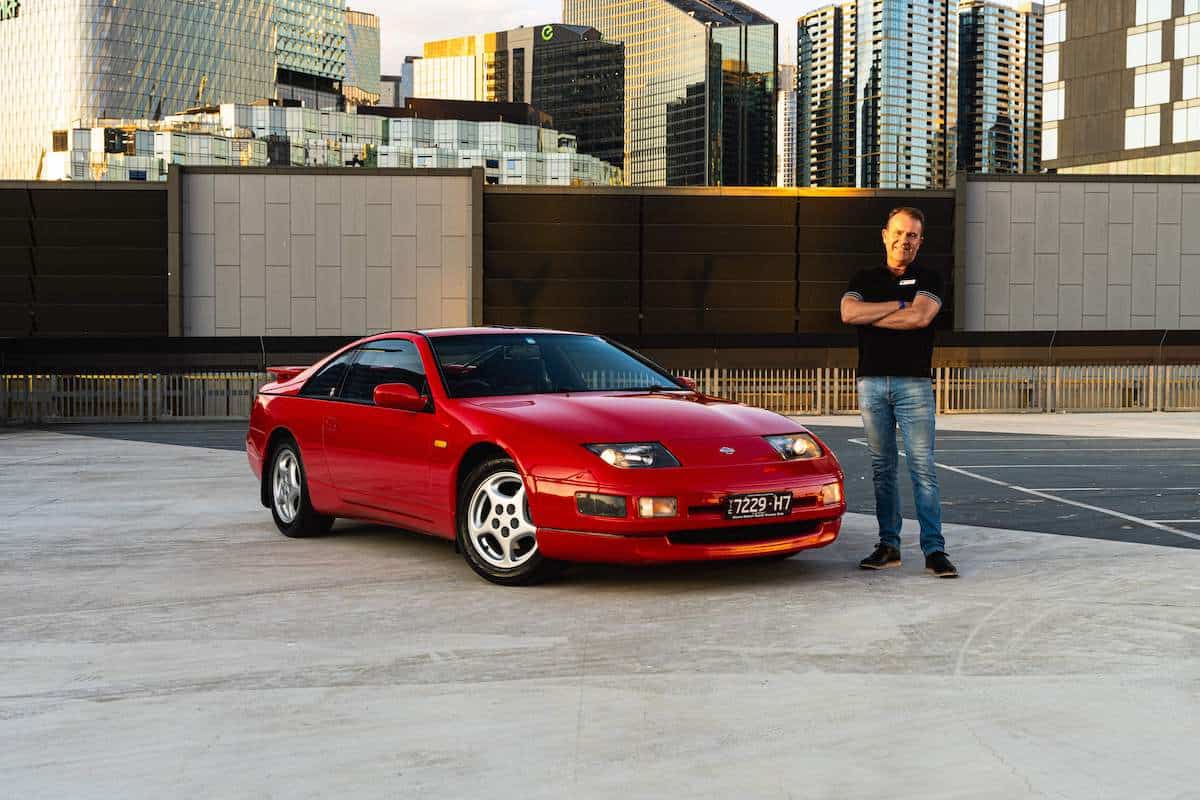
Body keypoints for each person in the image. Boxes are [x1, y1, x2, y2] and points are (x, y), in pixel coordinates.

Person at [839, 206, 957, 578]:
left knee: (923, 468)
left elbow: (920, 317)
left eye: (912, 235)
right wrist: (899, 305)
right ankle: (888, 546)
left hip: (914, 384)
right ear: (885, 235)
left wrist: (872, 314)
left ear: (920, 241)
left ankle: (934, 550)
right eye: (899, 233)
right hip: (872, 383)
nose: (904, 240)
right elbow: (848, 313)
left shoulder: (930, 277)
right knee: (882, 469)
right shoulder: (864, 277)